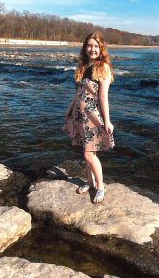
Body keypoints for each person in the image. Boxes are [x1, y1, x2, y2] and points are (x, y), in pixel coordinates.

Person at [63, 32, 115, 203]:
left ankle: (101, 187)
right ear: (85, 47)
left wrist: (107, 121)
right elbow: (77, 92)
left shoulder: (103, 67)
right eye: (89, 46)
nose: (92, 49)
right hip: (79, 115)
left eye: (95, 46)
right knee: (86, 151)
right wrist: (69, 110)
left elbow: (103, 97)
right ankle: (90, 182)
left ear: (101, 48)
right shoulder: (83, 66)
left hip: (92, 116)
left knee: (89, 154)